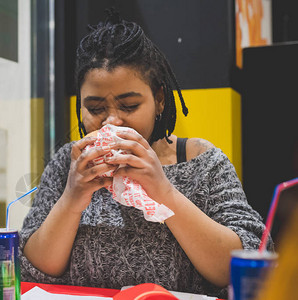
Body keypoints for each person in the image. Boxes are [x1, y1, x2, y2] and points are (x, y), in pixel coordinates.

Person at [19, 10, 271, 298]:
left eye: (129, 106)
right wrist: (72, 199)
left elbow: (243, 263)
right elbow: (36, 267)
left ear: (159, 100)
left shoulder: (203, 162)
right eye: (95, 108)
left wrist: (162, 189)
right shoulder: (70, 162)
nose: (111, 121)